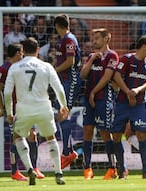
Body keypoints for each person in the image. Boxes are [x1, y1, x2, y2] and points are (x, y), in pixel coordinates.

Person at [4, 37, 68, 186]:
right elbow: (59, 88)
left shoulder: (14, 67)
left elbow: (7, 93)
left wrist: (9, 112)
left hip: (24, 108)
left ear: (23, 51)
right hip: (43, 107)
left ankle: (30, 169)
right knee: (51, 137)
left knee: (18, 137)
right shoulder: (46, 66)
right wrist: (64, 106)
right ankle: (58, 173)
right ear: (38, 50)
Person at [0, 42, 45, 181]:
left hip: (27, 107)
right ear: (17, 53)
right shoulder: (3, 69)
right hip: (13, 110)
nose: (23, 55)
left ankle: (34, 168)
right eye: (22, 52)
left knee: (32, 135)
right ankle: (14, 171)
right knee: (17, 139)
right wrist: (2, 108)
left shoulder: (23, 67)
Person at [111, 35, 146, 179]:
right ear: (144, 46)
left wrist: (137, 91)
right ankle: (122, 169)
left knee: (141, 134)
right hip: (122, 103)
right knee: (117, 135)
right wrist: (128, 92)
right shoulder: (126, 59)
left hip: (139, 104)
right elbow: (116, 76)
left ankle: (145, 170)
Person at [79, 28, 118, 180]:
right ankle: (87, 168)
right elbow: (83, 74)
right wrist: (91, 59)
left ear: (106, 38)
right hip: (89, 99)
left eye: (97, 38)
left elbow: (107, 77)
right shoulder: (91, 56)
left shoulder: (112, 56)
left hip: (103, 98)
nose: (94, 41)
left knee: (104, 132)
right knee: (87, 130)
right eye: (93, 38)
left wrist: (94, 92)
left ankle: (112, 168)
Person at [53, 14, 82, 169]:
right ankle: (68, 151)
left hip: (70, 80)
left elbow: (70, 62)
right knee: (61, 114)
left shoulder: (69, 39)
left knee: (63, 113)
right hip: (64, 81)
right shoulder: (64, 40)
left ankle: (67, 153)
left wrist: (54, 70)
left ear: (57, 25)